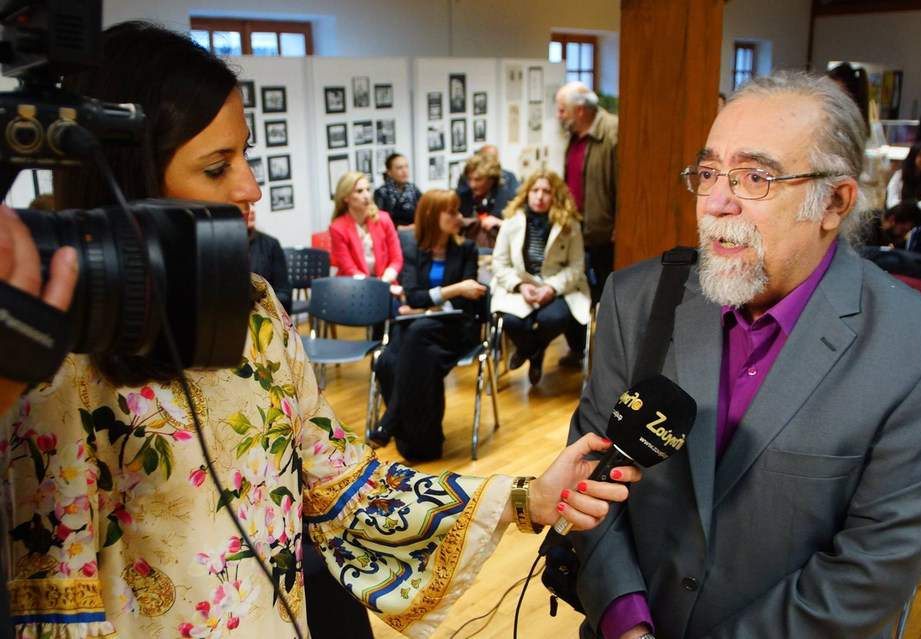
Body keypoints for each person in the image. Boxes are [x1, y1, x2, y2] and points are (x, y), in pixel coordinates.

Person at [0, 22, 642, 639]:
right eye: (217, 167)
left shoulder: (256, 311)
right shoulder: (56, 359)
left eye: (245, 154)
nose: (251, 187)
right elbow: (57, 599)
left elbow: (345, 485)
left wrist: (526, 497)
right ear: (130, 179)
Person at [569, 71, 921, 639]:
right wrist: (626, 621)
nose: (716, 203)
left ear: (833, 202)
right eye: (709, 173)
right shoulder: (636, 300)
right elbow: (588, 476)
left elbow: (869, 572)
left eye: (755, 178)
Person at [369, 190, 488, 459]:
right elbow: (413, 296)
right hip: (420, 332)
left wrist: (429, 303)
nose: (459, 217)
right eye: (452, 212)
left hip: (456, 330)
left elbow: (466, 302)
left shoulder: (466, 249)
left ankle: (389, 421)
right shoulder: (414, 250)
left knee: (417, 332)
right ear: (433, 216)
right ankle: (415, 443)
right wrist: (453, 290)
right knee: (387, 361)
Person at [490, 170, 590, 385]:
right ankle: (533, 352)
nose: (540, 196)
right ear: (527, 193)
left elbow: (576, 266)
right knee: (511, 321)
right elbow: (499, 262)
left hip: (558, 285)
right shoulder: (512, 220)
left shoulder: (569, 224)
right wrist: (519, 285)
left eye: (546, 191)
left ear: (556, 195)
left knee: (552, 319)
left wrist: (551, 288)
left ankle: (530, 351)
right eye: (535, 190)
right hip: (520, 285)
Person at [556, 81, 618, 366]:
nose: (559, 115)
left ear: (580, 110)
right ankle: (577, 348)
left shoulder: (613, 133)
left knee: (607, 294)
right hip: (574, 231)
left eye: (562, 110)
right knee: (573, 291)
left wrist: (620, 225)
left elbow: (626, 186)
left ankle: (606, 359)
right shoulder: (573, 136)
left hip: (604, 234)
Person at [329, 171, 403, 294]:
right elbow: (349, 269)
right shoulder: (337, 228)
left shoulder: (384, 219)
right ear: (346, 198)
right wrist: (375, 287)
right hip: (354, 289)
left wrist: (384, 282)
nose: (366, 195)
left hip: (386, 284)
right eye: (359, 191)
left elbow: (396, 259)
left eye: (368, 190)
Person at [457, 152, 516, 248]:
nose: (472, 185)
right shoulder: (462, 196)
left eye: (478, 180)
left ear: (491, 179)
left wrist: (500, 223)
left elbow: (519, 229)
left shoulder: (507, 198)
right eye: (469, 179)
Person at [247, 216, 292, 314]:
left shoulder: (271, 244)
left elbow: (283, 293)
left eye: (252, 206)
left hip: (264, 314)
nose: (251, 211)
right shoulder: (217, 247)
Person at [885, 142, 921, 210]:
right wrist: (914, 205)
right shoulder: (899, 175)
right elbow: (891, 203)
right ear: (913, 157)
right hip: (900, 212)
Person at [372, 152, 421, 229]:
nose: (404, 171)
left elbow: (424, 211)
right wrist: (399, 228)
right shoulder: (381, 192)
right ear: (389, 172)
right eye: (399, 168)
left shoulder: (413, 189)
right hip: (392, 231)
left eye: (406, 167)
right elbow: (378, 220)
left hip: (413, 230)